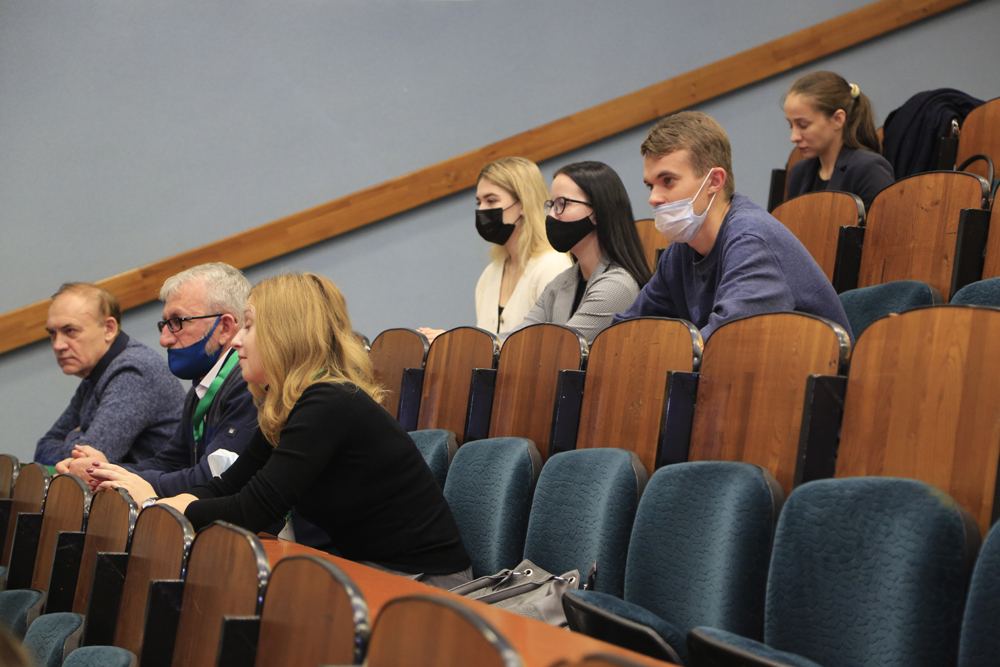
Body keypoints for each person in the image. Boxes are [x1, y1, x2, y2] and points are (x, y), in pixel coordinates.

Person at [91, 273, 472, 588]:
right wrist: (158, 501)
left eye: (249, 325)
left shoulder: (329, 401)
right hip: (374, 571)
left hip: (426, 583)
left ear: (284, 334)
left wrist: (156, 504)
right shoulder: (291, 404)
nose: (237, 340)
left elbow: (254, 509)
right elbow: (227, 487)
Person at [613, 111, 854, 342]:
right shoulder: (681, 251)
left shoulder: (751, 240)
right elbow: (624, 332)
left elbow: (723, 344)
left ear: (714, 181)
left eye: (668, 181)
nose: (653, 198)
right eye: (650, 186)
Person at [55, 263, 257, 499]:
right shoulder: (200, 389)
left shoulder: (248, 385)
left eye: (177, 322)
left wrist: (114, 477)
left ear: (224, 327)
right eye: (165, 324)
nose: (164, 340)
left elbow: (212, 479)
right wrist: (104, 472)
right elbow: (171, 462)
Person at [419, 157, 571, 341]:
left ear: (523, 204)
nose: (482, 210)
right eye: (479, 203)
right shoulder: (490, 274)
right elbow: (486, 353)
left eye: (491, 201)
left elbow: (554, 345)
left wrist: (457, 342)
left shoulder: (553, 266)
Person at [34, 283, 184, 466]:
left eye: (70, 331)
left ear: (109, 329)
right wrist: (80, 438)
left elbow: (87, 465)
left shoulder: (133, 371)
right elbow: (43, 449)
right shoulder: (97, 374)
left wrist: (73, 434)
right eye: (52, 333)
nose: (58, 345)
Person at [506, 161, 651, 344]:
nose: (551, 215)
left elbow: (559, 348)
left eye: (562, 204)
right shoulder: (559, 283)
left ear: (597, 212)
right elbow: (517, 339)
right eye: (552, 205)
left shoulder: (617, 286)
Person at [784, 71, 895, 210]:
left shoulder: (869, 169)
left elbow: (884, 223)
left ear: (837, 119)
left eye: (803, 125)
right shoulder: (799, 173)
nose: (794, 137)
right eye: (791, 126)